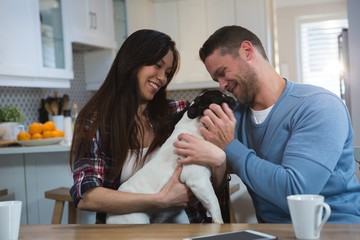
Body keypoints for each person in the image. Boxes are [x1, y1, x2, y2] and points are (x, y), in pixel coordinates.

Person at [174, 25, 360, 223]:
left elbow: (295, 192)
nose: (222, 86)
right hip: (271, 232)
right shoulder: (233, 118)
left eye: (223, 72)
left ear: (247, 51)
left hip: (334, 229)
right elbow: (212, 176)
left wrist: (229, 147)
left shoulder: (319, 106)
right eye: (216, 79)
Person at [69, 29, 229, 224]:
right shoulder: (96, 121)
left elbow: (215, 184)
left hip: (188, 228)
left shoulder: (179, 113)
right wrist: (161, 200)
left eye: (167, 72)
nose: (162, 78)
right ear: (132, 62)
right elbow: (87, 195)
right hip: (127, 232)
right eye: (157, 65)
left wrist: (220, 162)